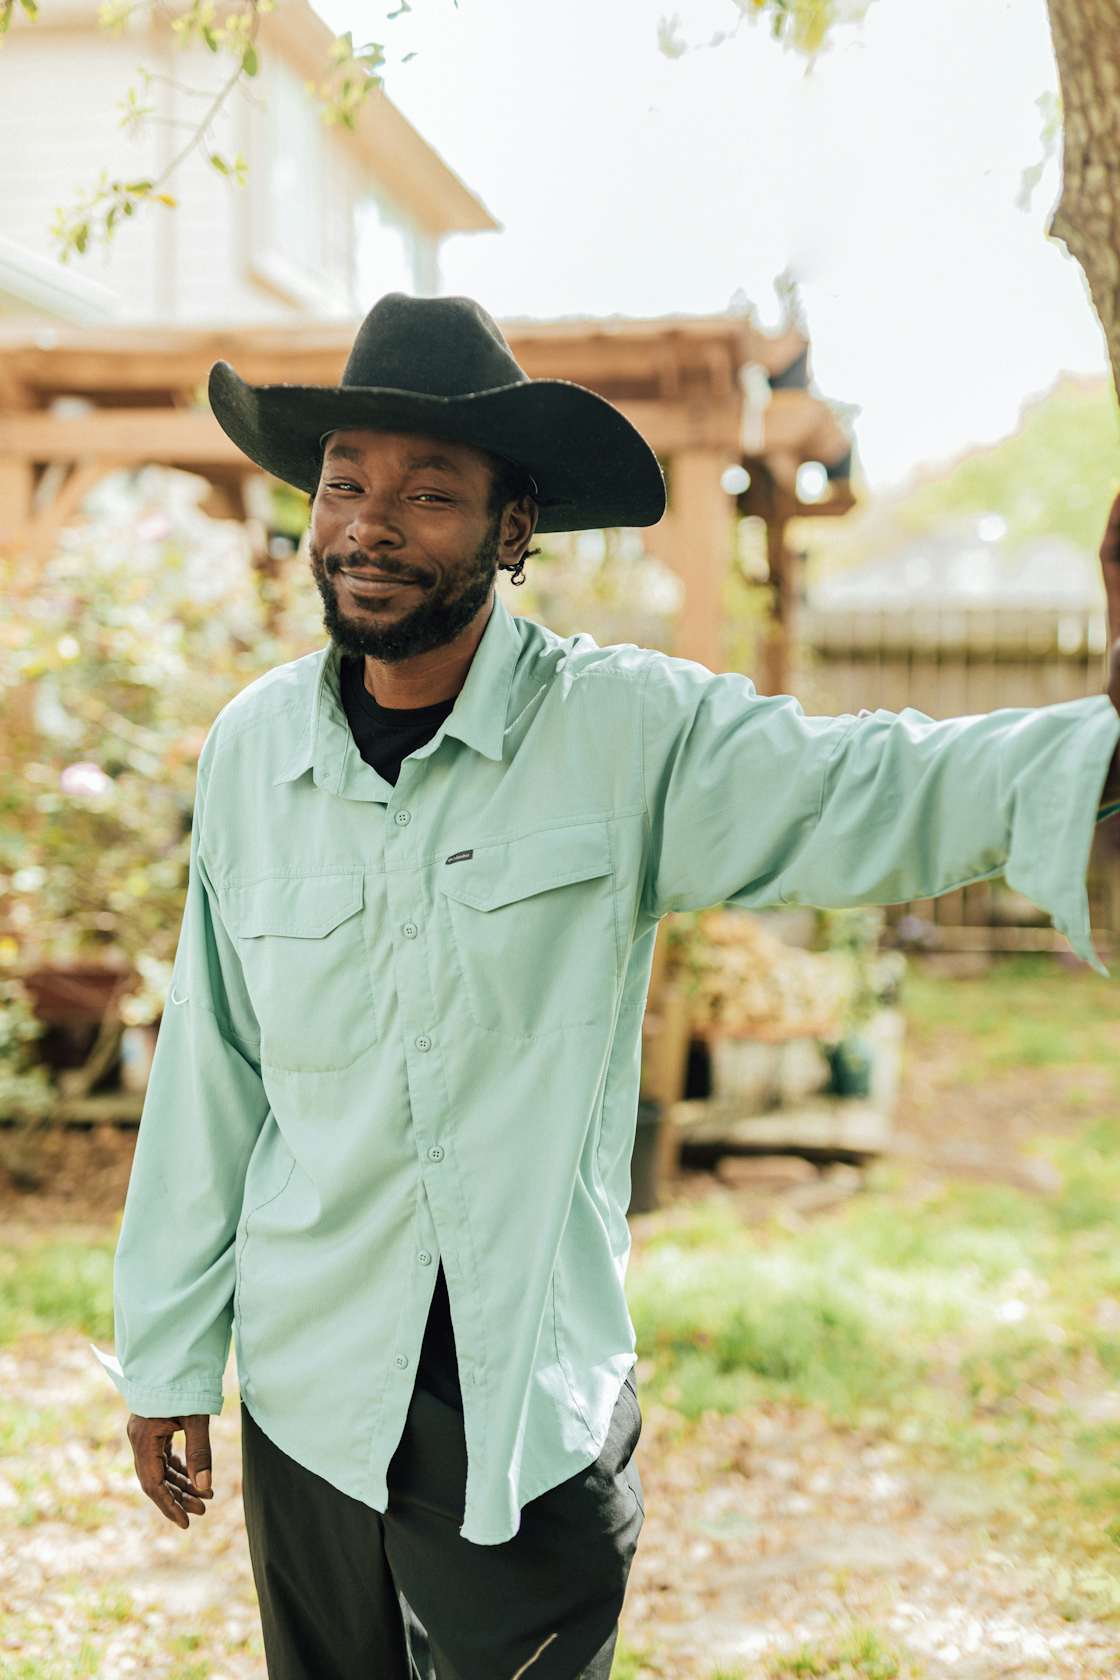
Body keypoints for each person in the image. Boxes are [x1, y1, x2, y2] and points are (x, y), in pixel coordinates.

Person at [91, 292, 1120, 1680]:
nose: (370, 525)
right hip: (308, 1395)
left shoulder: (624, 734)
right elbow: (216, 1067)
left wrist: (1096, 746)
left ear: (517, 533)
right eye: (345, 483)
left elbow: (861, 784)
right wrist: (164, 1354)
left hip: (523, 1408)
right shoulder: (251, 754)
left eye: (429, 495)